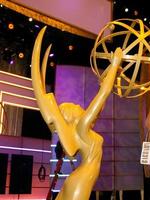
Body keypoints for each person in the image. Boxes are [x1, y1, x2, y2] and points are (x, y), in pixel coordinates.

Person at [31, 27, 122, 200]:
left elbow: (101, 101)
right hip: (81, 180)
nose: (77, 105)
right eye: (72, 106)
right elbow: (103, 95)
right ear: (72, 116)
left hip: (79, 178)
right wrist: (116, 63)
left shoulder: (85, 129)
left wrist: (112, 71)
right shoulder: (82, 126)